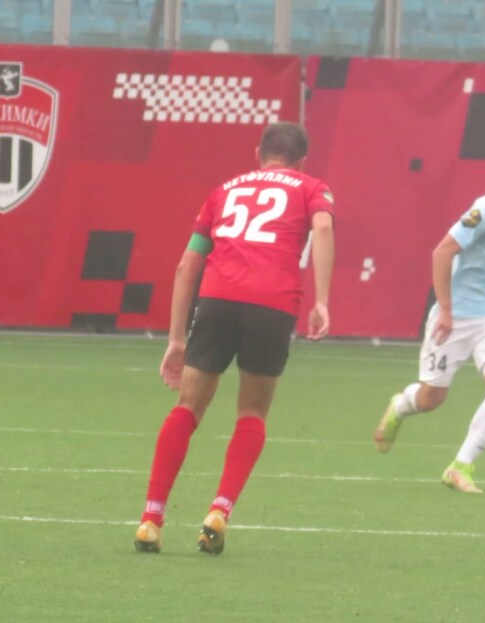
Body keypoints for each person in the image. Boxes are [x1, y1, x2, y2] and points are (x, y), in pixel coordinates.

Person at [134, 122, 335, 554]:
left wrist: (175, 339)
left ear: (257, 153)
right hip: (272, 304)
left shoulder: (223, 191)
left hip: (217, 299)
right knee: (252, 412)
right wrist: (322, 300)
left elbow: (187, 265)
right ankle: (219, 510)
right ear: (302, 161)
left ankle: (151, 518)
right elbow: (322, 229)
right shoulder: (311, 187)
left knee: (188, 407)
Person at [372, 140, 485, 493]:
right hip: (455, 314)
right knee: (431, 398)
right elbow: (442, 252)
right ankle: (400, 406)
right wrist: (446, 309)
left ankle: (461, 466)